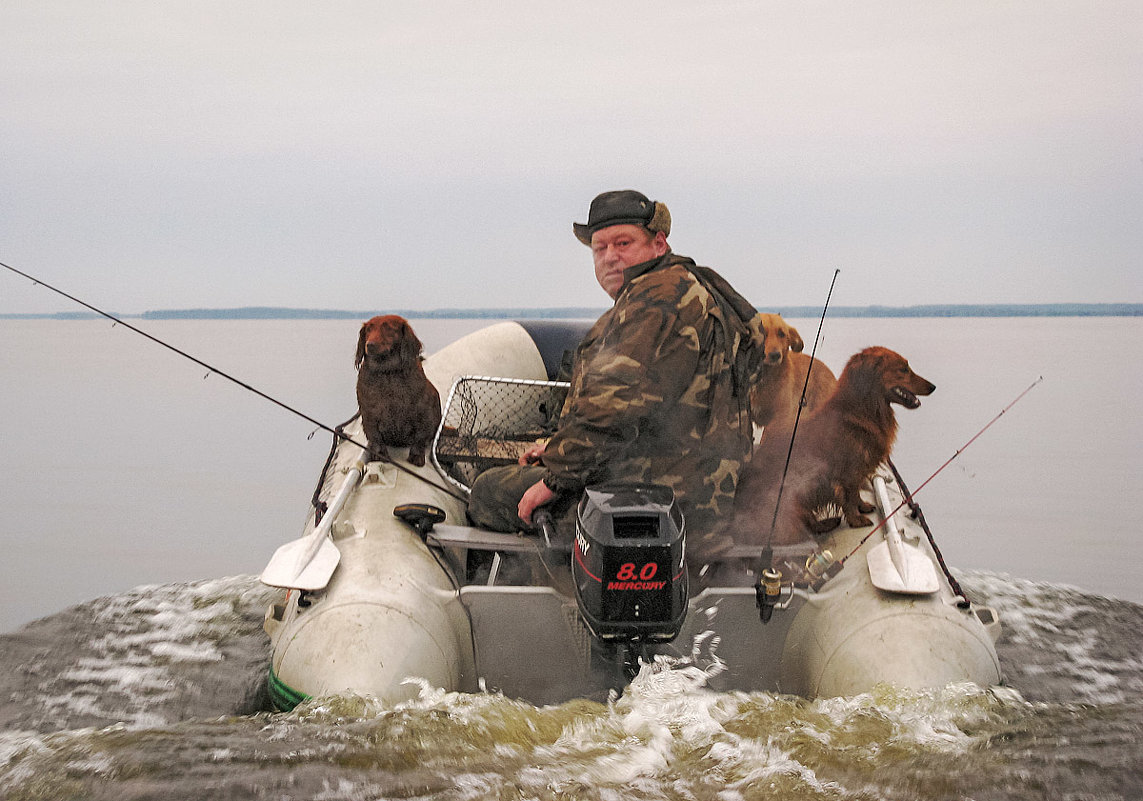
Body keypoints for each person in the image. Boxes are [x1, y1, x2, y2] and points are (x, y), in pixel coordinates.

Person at [467, 190, 763, 567]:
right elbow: (646, 411)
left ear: (659, 243)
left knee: (486, 492)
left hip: (649, 505)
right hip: (700, 497)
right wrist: (557, 452)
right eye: (599, 248)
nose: (609, 257)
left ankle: (517, 595)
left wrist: (556, 479)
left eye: (623, 243)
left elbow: (614, 406)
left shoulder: (657, 300)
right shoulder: (688, 286)